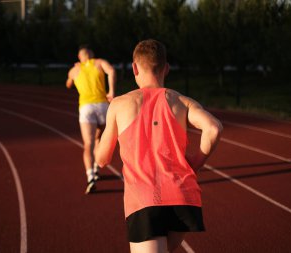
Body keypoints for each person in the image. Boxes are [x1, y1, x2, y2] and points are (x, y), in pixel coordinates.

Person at [95, 39, 223, 253]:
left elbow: (102, 159)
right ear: (166, 68)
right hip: (183, 198)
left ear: (134, 68)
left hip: (144, 199)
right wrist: (195, 163)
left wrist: (96, 140)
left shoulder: (120, 104)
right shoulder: (182, 101)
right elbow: (214, 128)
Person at [66, 45, 116, 194]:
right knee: (99, 138)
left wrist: (73, 75)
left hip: (86, 108)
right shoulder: (99, 62)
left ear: (80, 57)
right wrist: (111, 91)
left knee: (88, 144)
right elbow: (112, 71)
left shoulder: (74, 70)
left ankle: (90, 176)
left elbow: (68, 84)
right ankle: (96, 167)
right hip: (102, 105)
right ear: (91, 55)